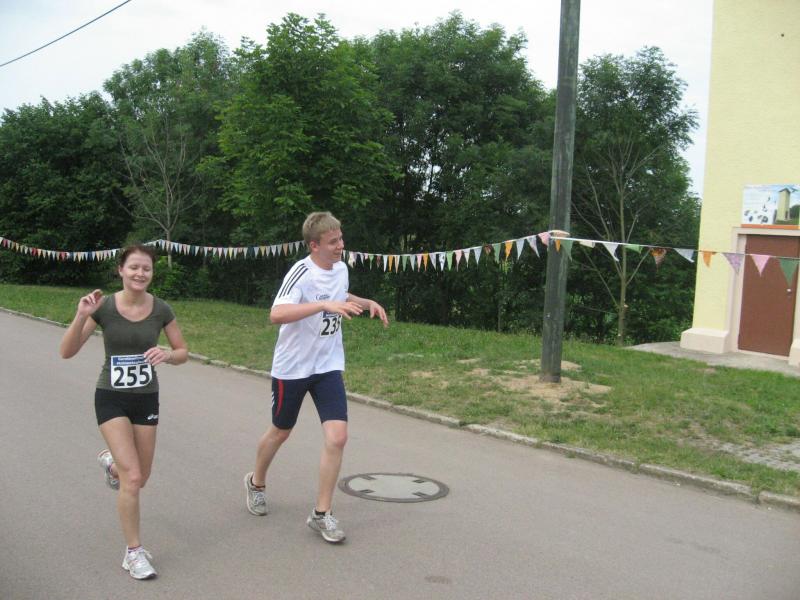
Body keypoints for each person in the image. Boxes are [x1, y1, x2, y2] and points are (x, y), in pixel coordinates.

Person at [244, 211, 389, 543]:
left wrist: (365, 302)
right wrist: (323, 306)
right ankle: (256, 482)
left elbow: (340, 296)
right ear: (314, 245)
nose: (341, 245)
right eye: (333, 241)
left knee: (337, 437)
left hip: (327, 365)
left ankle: (322, 514)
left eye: (341, 238)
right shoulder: (302, 272)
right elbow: (276, 314)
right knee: (281, 431)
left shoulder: (341, 269)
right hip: (293, 368)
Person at [59, 244, 188, 579]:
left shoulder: (161, 309)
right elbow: (67, 351)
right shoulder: (103, 307)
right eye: (133, 267)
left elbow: (182, 351)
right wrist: (81, 315)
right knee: (132, 479)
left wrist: (167, 355)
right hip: (111, 397)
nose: (140, 274)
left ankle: (111, 464)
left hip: (146, 399)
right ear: (120, 270)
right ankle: (133, 552)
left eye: (146, 268)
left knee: (140, 477)